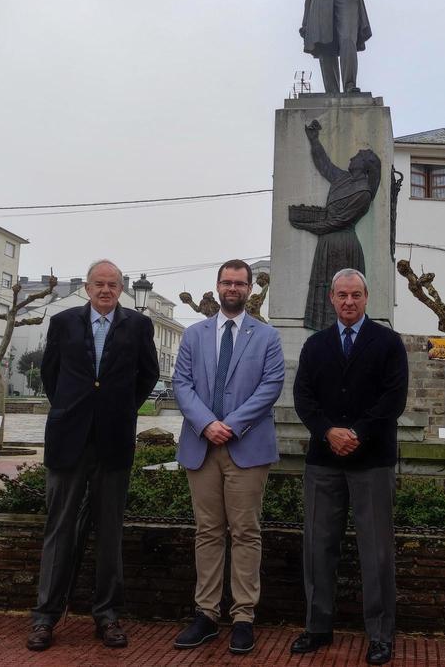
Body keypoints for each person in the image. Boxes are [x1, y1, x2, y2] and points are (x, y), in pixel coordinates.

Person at [26, 259, 159, 652]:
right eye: (98, 284)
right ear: (87, 288)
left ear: (121, 289)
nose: (105, 290)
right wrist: (73, 408)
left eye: (112, 284)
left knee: (109, 532)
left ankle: (108, 615)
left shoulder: (138, 326)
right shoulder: (64, 322)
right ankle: (45, 617)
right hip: (69, 439)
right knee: (59, 528)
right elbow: (51, 376)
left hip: (114, 440)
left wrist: (120, 409)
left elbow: (147, 376)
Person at [291, 269, 408, 665]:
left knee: (376, 552)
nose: (348, 302)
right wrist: (329, 432)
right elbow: (303, 397)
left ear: (366, 297)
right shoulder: (315, 345)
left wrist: (356, 433)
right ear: (331, 298)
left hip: (372, 461)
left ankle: (379, 634)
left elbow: (394, 399)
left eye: (355, 295)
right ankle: (318, 626)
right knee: (317, 548)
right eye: (341, 295)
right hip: (323, 461)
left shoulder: (388, 343)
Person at [171, 259, 286, 654]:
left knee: (246, 532)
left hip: (246, 447)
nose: (232, 288)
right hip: (201, 446)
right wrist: (207, 424)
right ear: (217, 286)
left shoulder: (267, 336)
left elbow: (271, 385)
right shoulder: (193, 335)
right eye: (226, 282)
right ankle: (205, 614)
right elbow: (181, 384)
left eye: (239, 283)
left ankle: (243, 616)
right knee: (207, 532)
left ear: (250, 289)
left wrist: (231, 425)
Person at [289, 120, 381, 330]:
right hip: (326, 244)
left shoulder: (363, 192)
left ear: (363, 165)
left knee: (344, 293)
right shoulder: (343, 178)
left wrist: (306, 225)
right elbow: (324, 164)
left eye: (356, 156)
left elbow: (336, 222)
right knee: (324, 291)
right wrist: (314, 140)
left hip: (343, 244)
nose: (351, 157)